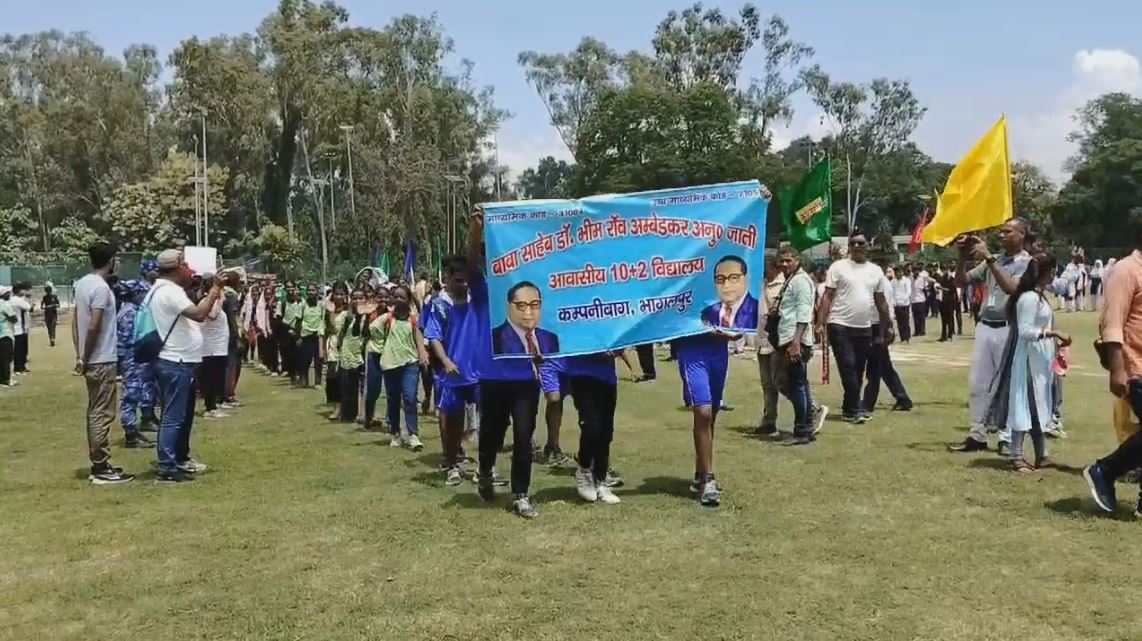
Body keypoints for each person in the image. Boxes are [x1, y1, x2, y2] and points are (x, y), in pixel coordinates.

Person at [469, 211, 545, 518]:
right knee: (492, 434)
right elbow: (471, 263)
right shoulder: (485, 289)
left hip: (526, 377)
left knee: (524, 437)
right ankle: (485, 472)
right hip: (494, 377)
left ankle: (521, 494)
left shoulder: (531, 293)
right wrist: (476, 234)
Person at [949, 219, 1032, 455]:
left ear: (1022, 234)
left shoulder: (1027, 263)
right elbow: (962, 281)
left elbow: (1012, 288)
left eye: (1008, 232)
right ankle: (977, 434)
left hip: (1009, 327)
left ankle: (1007, 437)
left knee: (1008, 385)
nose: (1003, 236)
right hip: (986, 325)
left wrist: (989, 258)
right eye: (1001, 232)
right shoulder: (995, 259)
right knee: (979, 383)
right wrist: (963, 257)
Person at [984, 253, 1070, 472]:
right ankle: (1016, 455)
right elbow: (1025, 330)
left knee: (1039, 406)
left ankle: (1042, 454)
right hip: (1028, 359)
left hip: (1041, 360)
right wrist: (1053, 333)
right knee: (1024, 404)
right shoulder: (1029, 298)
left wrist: (1056, 347)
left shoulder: (1040, 297)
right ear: (1047, 272)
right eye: (1053, 271)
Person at [150, 249, 221, 483]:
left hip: (179, 361)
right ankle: (167, 466)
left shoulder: (160, 290)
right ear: (177, 267)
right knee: (173, 416)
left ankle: (180, 457)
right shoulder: (169, 291)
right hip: (175, 362)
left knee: (182, 414)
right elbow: (200, 314)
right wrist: (214, 290)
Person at [1083, 240, 1142, 515]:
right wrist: (1118, 370)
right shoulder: (1126, 270)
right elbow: (1113, 323)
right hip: (1134, 367)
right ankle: (1105, 470)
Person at [815, 229, 892, 424]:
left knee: (858, 370)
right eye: (853, 243)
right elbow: (827, 296)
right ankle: (856, 408)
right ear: (848, 247)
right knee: (847, 366)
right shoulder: (838, 267)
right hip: (839, 324)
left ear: (867, 246)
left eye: (861, 243)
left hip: (864, 327)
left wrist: (887, 327)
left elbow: (881, 301)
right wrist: (819, 323)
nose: (857, 246)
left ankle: (849, 409)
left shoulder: (875, 271)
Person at [73, 242, 134, 484]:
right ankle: (100, 466)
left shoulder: (82, 284)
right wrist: (87, 356)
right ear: (111, 260)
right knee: (102, 413)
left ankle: (101, 462)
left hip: (91, 358)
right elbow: (93, 325)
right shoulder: (100, 288)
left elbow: (76, 323)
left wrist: (79, 355)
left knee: (95, 411)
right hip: (102, 359)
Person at [425, 255, 478, 486]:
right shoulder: (438, 305)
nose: (463, 284)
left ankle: (487, 467)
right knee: (452, 419)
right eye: (458, 280)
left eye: (466, 280)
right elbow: (433, 335)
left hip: (478, 372)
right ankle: (453, 463)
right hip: (452, 373)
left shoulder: (477, 302)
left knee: (490, 420)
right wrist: (445, 360)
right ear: (447, 279)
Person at [366, 284, 429, 450]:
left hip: (410, 363)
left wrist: (422, 352)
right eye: (396, 296)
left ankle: (413, 434)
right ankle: (395, 432)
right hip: (390, 364)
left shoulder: (413, 319)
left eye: (402, 297)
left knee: (409, 398)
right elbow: (372, 331)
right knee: (393, 399)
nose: (398, 300)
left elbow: (420, 336)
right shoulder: (387, 318)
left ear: (408, 300)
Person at [769, 246, 822, 445]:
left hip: (795, 340)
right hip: (788, 338)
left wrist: (796, 342)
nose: (784, 264)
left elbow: (803, 313)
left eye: (788, 260)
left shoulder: (800, 281)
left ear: (797, 260)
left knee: (797, 386)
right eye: (781, 261)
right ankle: (806, 426)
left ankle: (802, 431)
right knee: (797, 384)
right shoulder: (790, 279)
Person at [568, 352, 622, 504]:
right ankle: (584, 469)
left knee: (606, 432)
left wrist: (617, 350)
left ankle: (601, 480)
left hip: (607, 377)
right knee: (591, 426)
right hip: (582, 373)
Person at [861, 267, 913, 414]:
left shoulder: (881, 283)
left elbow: (886, 306)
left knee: (876, 367)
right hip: (873, 324)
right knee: (884, 366)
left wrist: (888, 328)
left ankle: (868, 403)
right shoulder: (876, 282)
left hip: (878, 326)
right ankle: (902, 398)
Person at [115, 280, 158, 446]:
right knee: (131, 393)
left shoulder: (135, 309)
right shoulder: (128, 312)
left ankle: (139, 424)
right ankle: (130, 433)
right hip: (132, 357)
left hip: (139, 357)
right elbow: (128, 339)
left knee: (143, 388)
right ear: (136, 294)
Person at [755, 258, 785, 435]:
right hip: (762, 339)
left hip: (778, 340)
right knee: (767, 384)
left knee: (781, 381)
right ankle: (769, 421)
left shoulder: (783, 285)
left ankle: (811, 408)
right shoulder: (758, 284)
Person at [491, 282, 560, 356]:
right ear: (508, 307)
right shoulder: (494, 339)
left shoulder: (550, 338)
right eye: (521, 305)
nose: (528, 312)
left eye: (534, 304)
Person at [199, 275, 231, 419]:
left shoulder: (213, 301)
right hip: (210, 348)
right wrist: (221, 300)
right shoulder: (206, 302)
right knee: (210, 379)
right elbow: (211, 315)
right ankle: (209, 408)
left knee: (218, 377)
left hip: (218, 347)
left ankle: (216, 404)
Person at [700, 255, 760, 330]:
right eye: (720, 278)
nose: (726, 285)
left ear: (746, 279)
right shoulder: (706, 314)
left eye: (734, 277)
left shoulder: (758, 311)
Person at [336, 288, 368, 425]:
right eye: (354, 298)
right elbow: (338, 332)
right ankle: (349, 414)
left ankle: (363, 413)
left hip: (363, 353)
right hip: (348, 354)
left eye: (361, 298)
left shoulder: (369, 316)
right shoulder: (345, 316)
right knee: (348, 386)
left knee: (363, 386)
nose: (357, 301)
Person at [296, 284, 326, 388]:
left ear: (317, 291)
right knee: (304, 360)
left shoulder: (321, 305)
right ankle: (304, 380)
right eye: (309, 290)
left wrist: (322, 334)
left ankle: (318, 382)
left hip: (317, 336)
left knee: (318, 360)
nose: (310, 292)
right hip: (305, 335)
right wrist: (298, 336)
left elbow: (323, 319)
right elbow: (298, 321)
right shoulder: (303, 305)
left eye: (313, 290)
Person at [10, 283, 32, 374]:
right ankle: (19, 367)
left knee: (20, 348)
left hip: (18, 327)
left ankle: (21, 366)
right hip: (20, 328)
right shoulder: (18, 300)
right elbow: (29, 307)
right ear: (19, 290)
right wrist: (27, 299)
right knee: (20, 349)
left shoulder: (12, 300)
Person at [891, 266, 912, 344]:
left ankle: (907, 338)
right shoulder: (893, 282)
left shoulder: (906, 281)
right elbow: (892, 293)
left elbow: (908, 292)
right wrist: (894, 302)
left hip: (905, 304)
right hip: (897, 304)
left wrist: (903, 301)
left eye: (900, 272)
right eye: (897, 272)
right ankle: (902, 338)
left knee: (905, 321)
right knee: (899, 322)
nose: (899, 274)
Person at [0, 286, 16, 389]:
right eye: (7, 293)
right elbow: (14, 317)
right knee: (7, 358)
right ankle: (6, 379)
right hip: (6, 333)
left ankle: (1, 379)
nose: (9, 294)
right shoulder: (5, 304)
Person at [910, 265, 929, 337]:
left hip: (921, 299)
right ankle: (917, 331)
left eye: (917, 271)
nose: (915, 272)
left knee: (921, 317)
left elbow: (926, 287)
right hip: (913, 300)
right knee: (915, 317)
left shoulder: (922, 278)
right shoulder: (910, 279)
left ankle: (922, 330)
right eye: (914, 271)